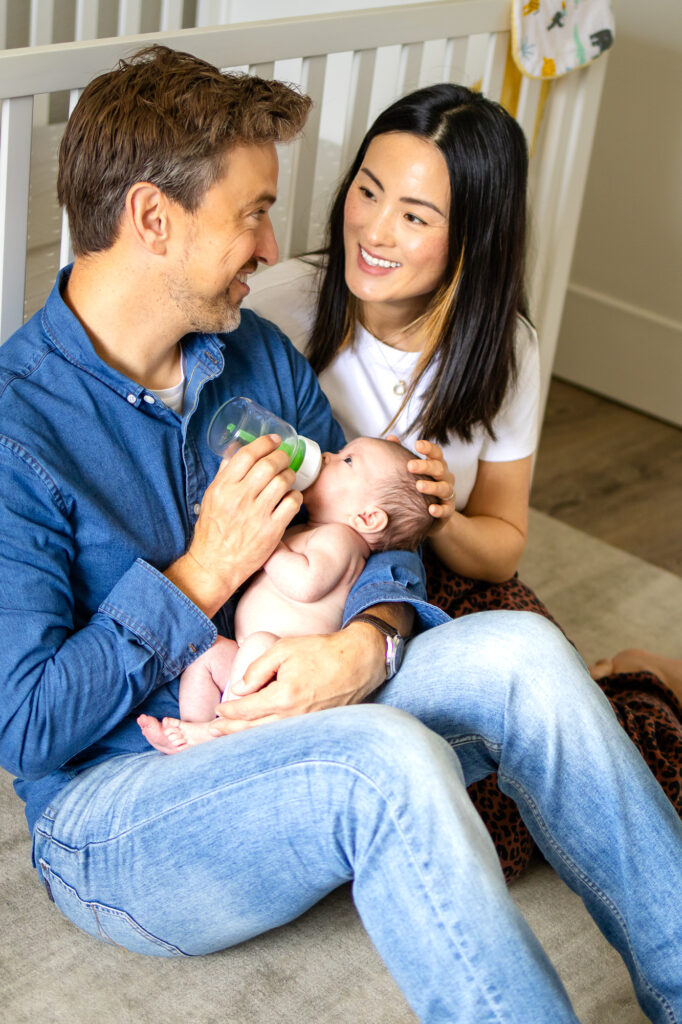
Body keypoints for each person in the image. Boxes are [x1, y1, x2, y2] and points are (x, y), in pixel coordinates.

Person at [0, 46, 680, 1024]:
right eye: (252, 213)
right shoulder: (18, 430)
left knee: (527, 654)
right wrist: (199, 576)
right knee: (383, 759)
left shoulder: (254, 359)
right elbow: (25, 728)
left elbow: (376, 530)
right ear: (154, 218)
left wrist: (365, 642)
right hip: (119, 803)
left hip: (290, 714)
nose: (274, 248)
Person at [245, 83, 682, 875]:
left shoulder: (503, 349)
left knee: (538, 814)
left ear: (473, 236)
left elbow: (501, 550)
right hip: (313, 588)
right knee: (383, 824)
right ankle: (593, 682)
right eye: (368, 193)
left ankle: (631, 682)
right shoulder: (279, 308)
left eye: (415, 215)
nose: (375, 231)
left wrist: (443, 516)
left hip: (449, 591)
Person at [139, 436, 433, 752]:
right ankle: (193, 732)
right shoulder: (307, 530)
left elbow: (304, 584)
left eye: (348, 460)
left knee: (260, 644)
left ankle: (220, 732)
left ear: (368, 518)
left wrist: (265, 543)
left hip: (285, 669)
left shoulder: (341, 539)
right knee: (207, 652)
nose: (330, 454)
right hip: (248, 659)